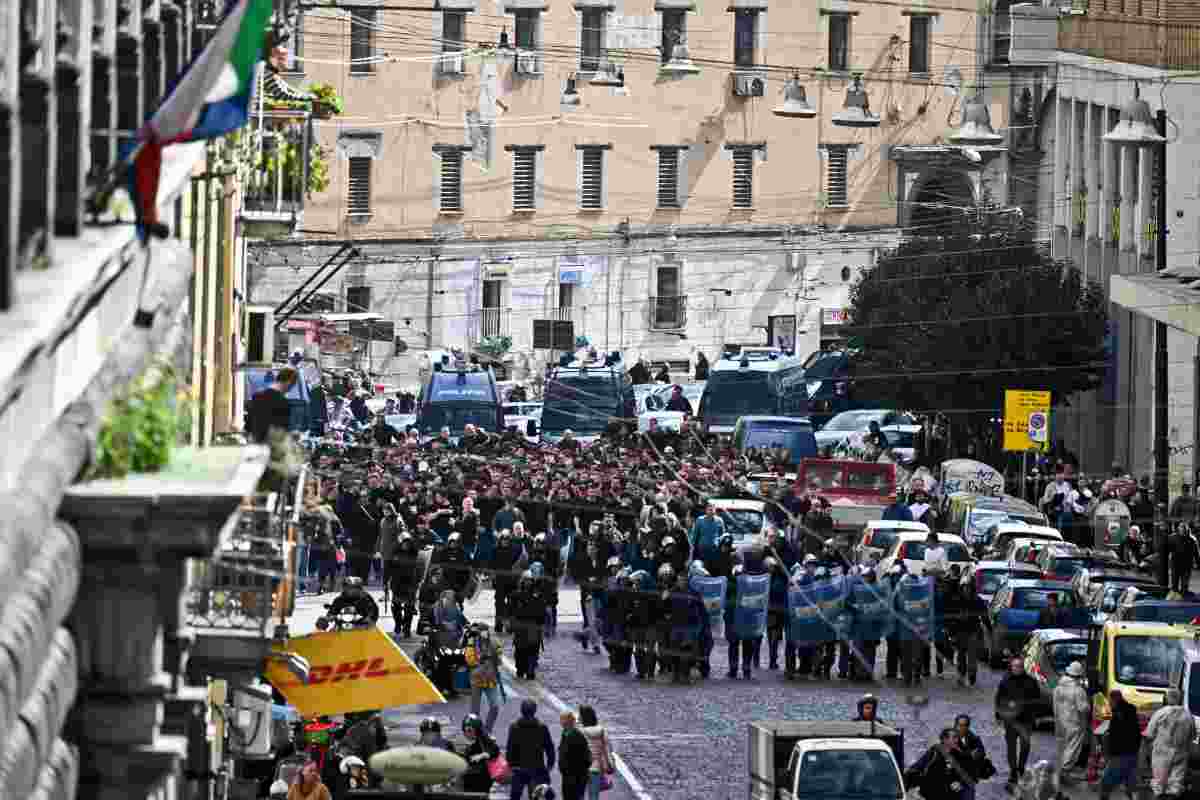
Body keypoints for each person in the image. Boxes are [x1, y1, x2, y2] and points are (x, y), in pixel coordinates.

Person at [995, 657, 1040, 789]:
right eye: (1015, 666)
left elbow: (1037, 699)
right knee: (1011, 747)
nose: (1017, 669)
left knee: (1025, 746)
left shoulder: (1031, 682)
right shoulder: (1005, 681)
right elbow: (999, 698)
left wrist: (1032, 712)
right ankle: (1013, 770)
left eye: (1020, 666)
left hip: (1026, 720)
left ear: (1023, 667)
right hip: (1011, 720)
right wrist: (999, 714)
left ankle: (1021, 767)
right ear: (1011, 667)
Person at [1144, 687, 1196, 800]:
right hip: (1181, 752)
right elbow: (1193, 736)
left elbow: (1149, 733)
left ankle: (1159, 797)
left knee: (1159, 781)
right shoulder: (1188, 715)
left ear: (1167, 698)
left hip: (1161, 752)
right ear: (1180, 698)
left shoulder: (1160, 713)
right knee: (1176, 782)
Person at [506, 700, 556, 800]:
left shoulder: (514, 726)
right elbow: (549, 748)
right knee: (535, 795)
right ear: (535, 711)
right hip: (537, 767)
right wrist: (550, 764)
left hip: (518, 767)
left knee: (515, 795)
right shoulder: (542, 727)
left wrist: (510, 764)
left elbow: (510, 748)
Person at [905, 729, 974, 800]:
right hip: (930, 794)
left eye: (957, 738)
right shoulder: (934, 752)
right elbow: (917, 767)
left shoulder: (960, 755)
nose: (956, 740)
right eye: (954, 737)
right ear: (944, 739)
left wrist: (960, 783)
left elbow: (968, 775)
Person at [1098, 690, 1141, 800]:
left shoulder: (1117, 712)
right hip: (1133, 751)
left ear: (1113, 699)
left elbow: (1114, 734)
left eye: (1110, 700)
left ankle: (1104, 797)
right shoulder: (1131, 709)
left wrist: (1107, 753)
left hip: (1120, 753)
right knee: (1130, 780)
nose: (1109, 702)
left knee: (1106, 780)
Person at [1052, 661, 1090, 784]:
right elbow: (1083, 708)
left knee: (1062, 747)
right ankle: (1065, 771)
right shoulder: (1078, 691)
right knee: (1072, 748)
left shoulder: (1057, 688)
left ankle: (1060, 771)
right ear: (1078, 676)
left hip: (1060, 722)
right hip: (1075, 723)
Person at [464, 624, 505, 734]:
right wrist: (481, 659)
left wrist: (496, 656)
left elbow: (500, 660)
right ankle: (474, 731)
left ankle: (487, 730)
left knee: (495, 706)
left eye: (486, 631)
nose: (485, 633)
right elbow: (469, 660)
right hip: (476, 679)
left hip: (491, 679)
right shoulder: (472, 643)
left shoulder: (495, 642)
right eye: (482, 631)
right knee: (474, 710)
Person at [433, 589, 468, 697]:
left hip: (455, 639)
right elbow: (437, 621)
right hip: (443, 638)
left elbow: (461, 618)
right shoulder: (439, 606)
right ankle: (444, 686)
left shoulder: (455, 607)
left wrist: (468, 625)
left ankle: (453, 685)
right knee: (445, 663)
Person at [248, 367, 297, 443]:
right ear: (289, 382)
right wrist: (293, 436)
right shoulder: (283, 402)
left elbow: (249, 426)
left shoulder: (256, 397)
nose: (290, 389)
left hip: (256, 446)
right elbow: (281, 433)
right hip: (272, 448)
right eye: (293, 385)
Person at [578, 705, 615, 800]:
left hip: (581, 769)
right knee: (594, 797)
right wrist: (609, 765)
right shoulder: (601, 731)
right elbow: (607, 750)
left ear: (583, 718)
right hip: (596, 769)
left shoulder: (578, 732)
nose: (578, 717)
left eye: (580, 716)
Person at [461, 714, 502, 796]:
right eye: (465, 730)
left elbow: (495, 751)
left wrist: (484, 755)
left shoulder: (483, 739)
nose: (467, 733)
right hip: (467, 779)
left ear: (477, 729)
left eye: (470, 730)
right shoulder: (460, 741)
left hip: (482, 779)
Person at [558, 710, 593, 800]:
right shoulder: (565, 733)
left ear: (570, 722)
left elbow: (586, 757)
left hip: (577, 776)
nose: (562, 723)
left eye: (564, 721)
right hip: (567, 775)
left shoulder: (577, 736)